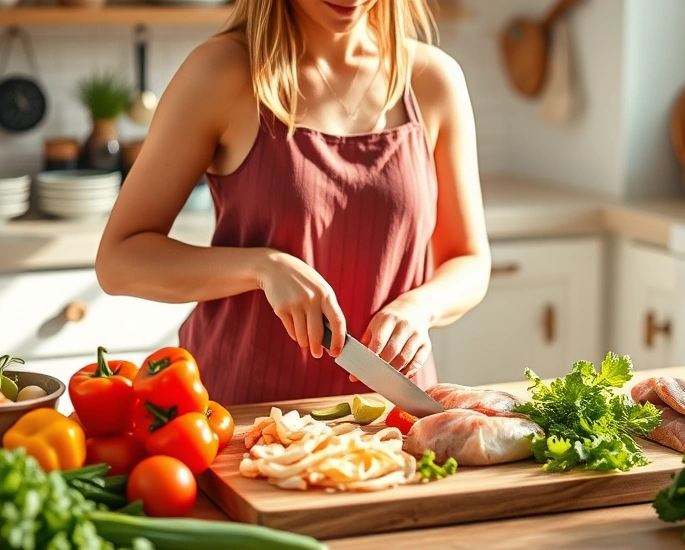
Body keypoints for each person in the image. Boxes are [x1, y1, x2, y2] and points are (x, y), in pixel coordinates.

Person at [95, 0, 490, 406]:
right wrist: (262, 266)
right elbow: (119, 261)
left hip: (394, 413)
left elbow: (469, 260)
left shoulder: (433, 80)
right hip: (242, 413)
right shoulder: (221, 72)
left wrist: (420, 307)